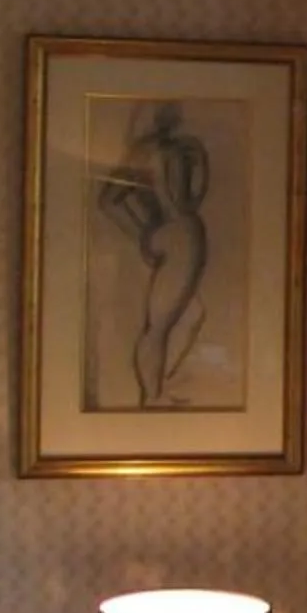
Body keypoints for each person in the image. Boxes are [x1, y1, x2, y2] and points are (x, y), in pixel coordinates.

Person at [94, 101, 212, 407]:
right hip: (184, 233)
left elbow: (109, 202)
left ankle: (160, 386)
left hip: (174, 233)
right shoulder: (185, 150)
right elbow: (196, 194)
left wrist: (144, 234)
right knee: (158, 328)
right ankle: (152, 399)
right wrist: (144, 235)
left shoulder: (158, 151)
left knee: (192, 314)